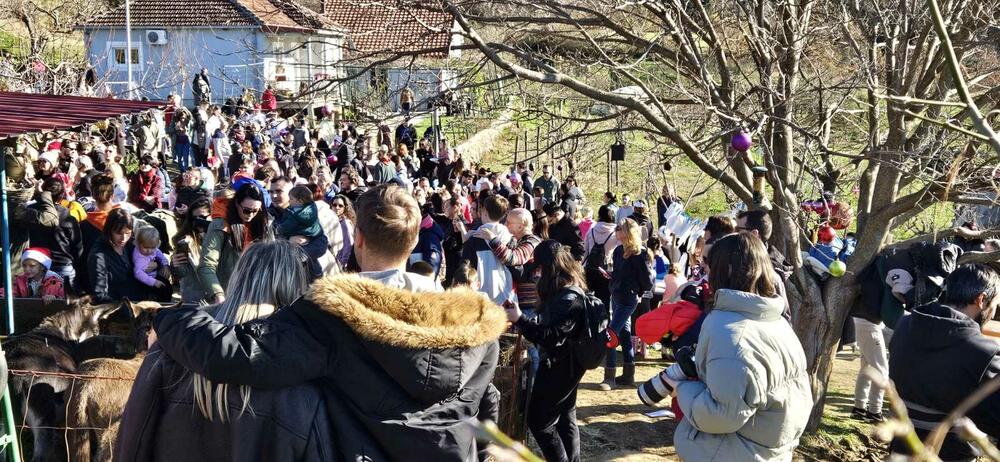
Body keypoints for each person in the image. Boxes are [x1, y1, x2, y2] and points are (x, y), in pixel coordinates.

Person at [151, 184, 505, 460]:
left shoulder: (333, 318)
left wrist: (172, 318)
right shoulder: (477, 329)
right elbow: (487, 401)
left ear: (359, 239)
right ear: (413, 241)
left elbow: (237, 356)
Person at [116, 240, 334, 461]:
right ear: (297, 287)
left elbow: (134, 441)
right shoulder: (307, 368)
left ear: (237, 278)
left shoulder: (173, 345)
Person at [669, 232, 811, 461]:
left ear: (724, 271)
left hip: (730, 452)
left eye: (710, 264)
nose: (706, 270)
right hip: (769, 450)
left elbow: (721, 415)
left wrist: (682, 389)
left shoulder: (729, 330)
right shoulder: (776, 322)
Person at [889, 264, 1000, 461]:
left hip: (901, 443)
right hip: (951, 452)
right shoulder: (985, 352)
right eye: (995, 306)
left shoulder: (904, 325)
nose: (993, 313)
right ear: (981, 300)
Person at [505, 240, 588, 462]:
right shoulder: (567, 288)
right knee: (565, 417)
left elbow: (551, 337)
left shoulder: (567, 298)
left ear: (549, 267)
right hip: (568, 363)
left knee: (539, 421)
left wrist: (521, 320)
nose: (537, 274)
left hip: (561, 366)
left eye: (540, 268)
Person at [599, 218, 654, 390]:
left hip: (628, 299)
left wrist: (637, 293)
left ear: (627, 232)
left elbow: (647, 281)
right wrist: (611, 277)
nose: (616, 231)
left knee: (611, 334)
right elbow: (618, 274)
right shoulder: (617, 251)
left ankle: (610, 377)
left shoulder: (639, 254)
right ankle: (628, 375)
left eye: (619, 228)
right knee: (624, 333)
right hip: (616, 296)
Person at [198, 182, 274, 304]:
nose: (251, 215)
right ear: (236, 204)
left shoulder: (264, 223)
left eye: (256, 210)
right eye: (247, 210)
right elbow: (207, 265)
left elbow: (273, 260)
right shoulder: (220, 225)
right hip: (229, 293)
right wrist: (218, 294)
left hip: (259, 292)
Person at [461, 194, 516, 306]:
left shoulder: (474, 238)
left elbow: (465, 267)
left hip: (479, 296)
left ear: (484, 211)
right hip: (506, 294)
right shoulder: (510, 237)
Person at [87, 208, 148, 303]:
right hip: (118, 307)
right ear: (109, 230)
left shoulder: (131, 244)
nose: (123, 238)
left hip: (138, 299)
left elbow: (152, 252)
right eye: (118, 233)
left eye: (127, 233)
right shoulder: (98, 257)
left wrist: (159, 265)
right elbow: (100, 295)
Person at [276, 186, 330, 276]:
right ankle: (317, 273)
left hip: (303, 242)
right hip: (313, 237)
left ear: (299, 201)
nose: (289, 201)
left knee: (305, 258)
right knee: (312, 260)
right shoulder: (312, 209)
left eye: (291, 199)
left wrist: (278, 229)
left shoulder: (295, 214)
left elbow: (286, 227)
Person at [171, 197, 213, 306]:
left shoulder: (224, 238)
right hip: (194, 302)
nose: (199, 221)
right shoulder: (185, 241)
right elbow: (180, 276)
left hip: (218, 298)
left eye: (203, 217)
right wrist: (175, 265)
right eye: (195, 218)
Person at [583, 205, 620, 307]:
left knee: (587, 300)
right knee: (604, 302)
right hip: (606, 271)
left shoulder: (591, 230)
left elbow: (585, 251)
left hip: (590, 269)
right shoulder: (616, 233)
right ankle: (604, 321)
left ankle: (589, 321)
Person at [0, 248, 65, 301]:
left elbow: (60, 297)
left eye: (32, 266)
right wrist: (3, 294)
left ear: (42, 267)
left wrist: (53, 297)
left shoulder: (54, 282)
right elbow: (11, 290)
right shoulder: (21, 280)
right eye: (24, 265)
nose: (27, 269)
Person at [132, 226, 172, 301]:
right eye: (146, 247)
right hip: (144, 281)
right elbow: (138, 273)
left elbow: (161, 256)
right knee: (162, 290)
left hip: (153, 275)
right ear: (138, 243)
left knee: (167, 286)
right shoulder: (139, 258)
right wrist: (154, 282)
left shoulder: (153, 248)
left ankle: (166, 304)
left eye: (152, 247)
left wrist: (165, 264)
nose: (149, 251)